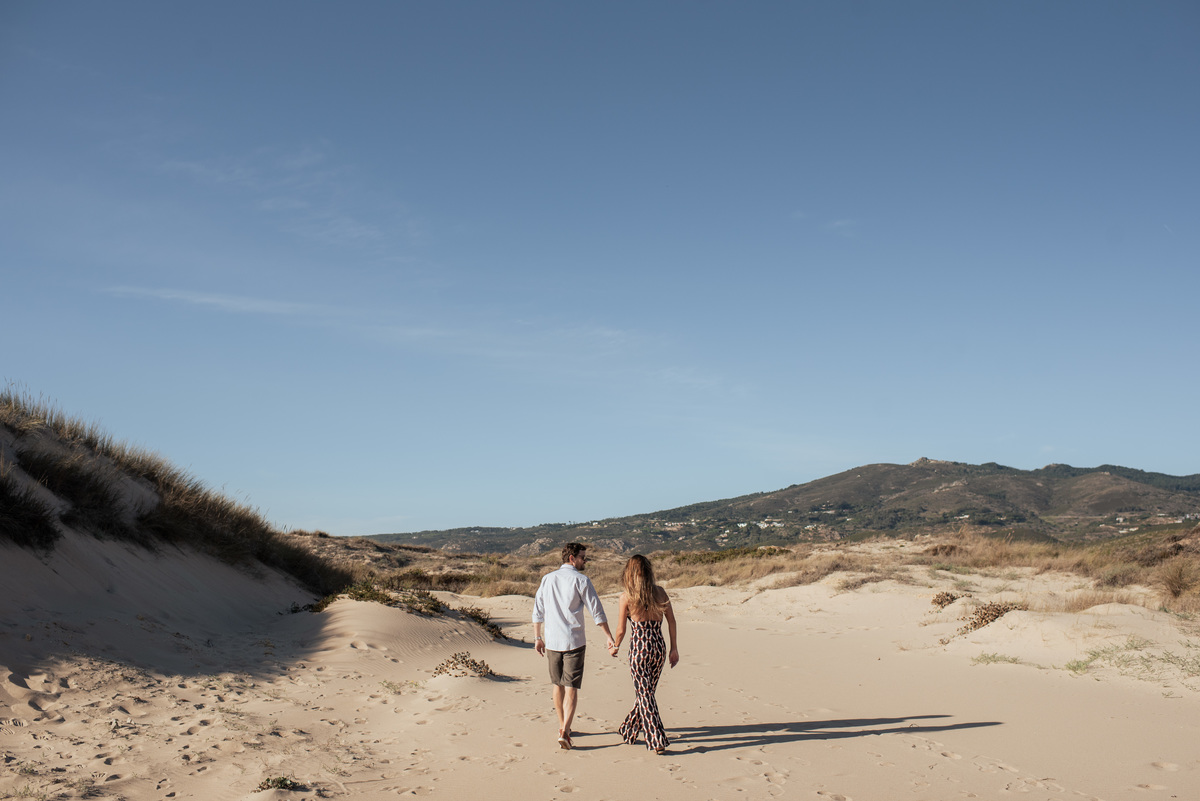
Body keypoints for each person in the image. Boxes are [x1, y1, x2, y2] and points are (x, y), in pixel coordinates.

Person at [532, 542, 615, 750]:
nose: (585, 561)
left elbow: (537, 609)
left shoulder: (547, 579)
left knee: (557, 684)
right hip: (574, 641)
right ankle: (565, 731)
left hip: (552, 641)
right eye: (583, 557)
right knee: (571, 687)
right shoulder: (581, 580)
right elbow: (596, 610)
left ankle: (563, 726)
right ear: (572, 558)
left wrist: (537, 637)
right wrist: (608, 636)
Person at [608, 554, 679, 754]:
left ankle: (657, 739)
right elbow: (671, 621)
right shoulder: (660, 592)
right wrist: (673, 648)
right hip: (658, 646)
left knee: (645, 695)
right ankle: (628, 729)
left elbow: (621, 629)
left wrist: (615, 646)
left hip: (639, 647)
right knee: (646, 693)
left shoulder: (626, 597)